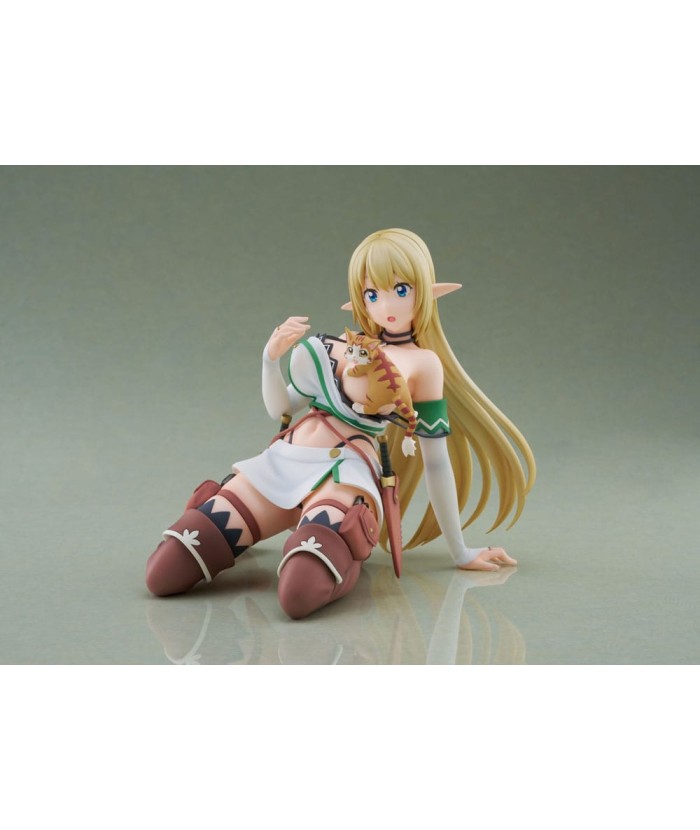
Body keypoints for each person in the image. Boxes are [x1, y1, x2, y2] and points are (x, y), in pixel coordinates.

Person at [145, 228, 536, 619]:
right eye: (372, 294)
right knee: (168, 568)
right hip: (281, 464)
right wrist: (270, 360)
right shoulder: (339, 347)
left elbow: (436, 462)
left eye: (401, 290)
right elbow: (281, 407)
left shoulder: (424, 364)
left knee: (301, 588)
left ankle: (336, 547)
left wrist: (461, 551)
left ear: (424, 290)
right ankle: (264, 531)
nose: (387, 305)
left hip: (343, 476)